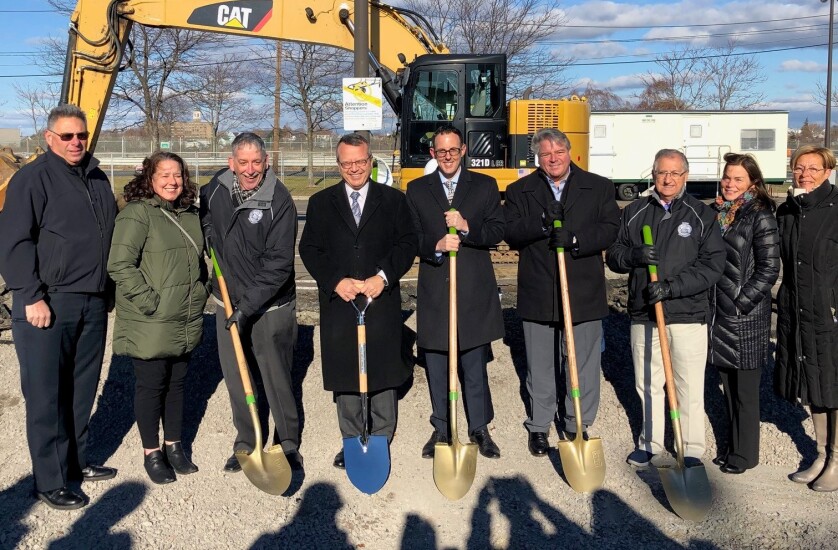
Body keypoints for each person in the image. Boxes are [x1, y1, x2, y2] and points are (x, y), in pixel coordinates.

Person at [0, 104, 117, 510]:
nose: (75, 142)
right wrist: (31, 295)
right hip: (47, 302)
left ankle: (75, 463)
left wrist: (108, 290)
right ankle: (49, 481)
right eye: (66, 136)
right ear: (49, 138)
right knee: (47, 394)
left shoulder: (97, 178)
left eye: (81, 135)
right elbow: (14, 241)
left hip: (92, 300)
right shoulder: (32, 179)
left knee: (81, 389)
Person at [299, 133, 417, 469]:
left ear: (370, 161)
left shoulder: (393, 200)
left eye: (360, 161)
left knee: (382, 364)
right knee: (346, 368)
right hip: (341, 300)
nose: (354, 168)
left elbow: (407, 243)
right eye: (347, 163)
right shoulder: (322, 203)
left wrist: (383, 277)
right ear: (339, 165)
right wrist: (335, 281)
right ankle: (351, 437)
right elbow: (310, 249)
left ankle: (381, 435)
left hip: (380, 298)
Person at [504, 128, 620, 456]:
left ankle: (576, 421)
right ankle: (539, 425)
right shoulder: (520, 190)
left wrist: (575, 240)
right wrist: (542, 221)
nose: (553, 158)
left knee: (581, 362)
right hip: (538, 287)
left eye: (559, 152)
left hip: (582, 289)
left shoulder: (597, 187)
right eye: (546, 154)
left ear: (571, 152)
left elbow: (611, 229)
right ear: (537, 158)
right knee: (539, 363)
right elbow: (510, 232)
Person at [606, 149, 724, 469]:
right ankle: (650, 443)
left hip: (687, 313)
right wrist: (634, 256)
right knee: (648, 382)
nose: (668, 179)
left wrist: (672, 288)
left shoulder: (701, 214)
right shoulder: (634, 212)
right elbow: (613, 256)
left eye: (675, 173)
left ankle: (691, 448)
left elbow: (712, 265)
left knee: (688, 384)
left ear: (685, 176)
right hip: (645, 312)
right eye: (662, 173)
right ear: (653, 175)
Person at [200, 133, 302, 472]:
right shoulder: (215, 187)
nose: (250, 169)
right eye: (242, 162)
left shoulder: (280, 200)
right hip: (227, 302)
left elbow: (279, 266)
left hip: (269, 305)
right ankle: (247, 440)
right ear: (232, 163)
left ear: (266, 161)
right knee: (236, 376)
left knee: (276, 376)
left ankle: (287, 441)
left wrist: (246, 308)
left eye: (256, 162)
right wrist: (208, 233)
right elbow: (201, 213)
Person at [108, 152, 209, 484]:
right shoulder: (137, 215)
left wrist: (201, 290)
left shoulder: (190, 215)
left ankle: (174, 445)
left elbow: (200, 262)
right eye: (164, 174)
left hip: (184, 316)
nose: (172, 181)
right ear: (149, 179)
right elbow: (120, 265)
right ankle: (152, 452)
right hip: (151, 319)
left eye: (178, 174)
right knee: (152, 386)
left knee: (178, 385)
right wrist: (149, 301)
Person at [405, 124, 505, 460]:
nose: (447, 156)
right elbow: (410, 237)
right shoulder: (417, 189)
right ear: (433, 154)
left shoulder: (485, 186)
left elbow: (496, 231)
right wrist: (434, 245)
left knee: (473, 362)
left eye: (453, 150)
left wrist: (466, 228)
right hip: (435, 289)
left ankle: (479, 427)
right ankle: (442, 427)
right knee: (436, 362)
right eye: (441, 151)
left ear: (463, 151)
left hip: (473, 289)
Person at [708, 153, 779, 475]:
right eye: (727, 177)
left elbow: (768, 269)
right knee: (728, 389)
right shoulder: (723, 213)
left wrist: (740, 303)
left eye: (738, 178)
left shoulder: (759, 215)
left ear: (753, 182)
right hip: (720, 314)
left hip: (744, 317)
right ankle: (731, 448)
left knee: (746, 392)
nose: (730, 183)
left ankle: (745, 455)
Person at [775, 145, 838, 491]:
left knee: (833, 383)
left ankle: (837, 458)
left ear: (828, 172)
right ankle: (820, 453)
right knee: (813, 384)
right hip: (797, 310)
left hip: (829, 312)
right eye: (800, 167)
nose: (806, 174)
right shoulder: (787, 210)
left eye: (814, 168)